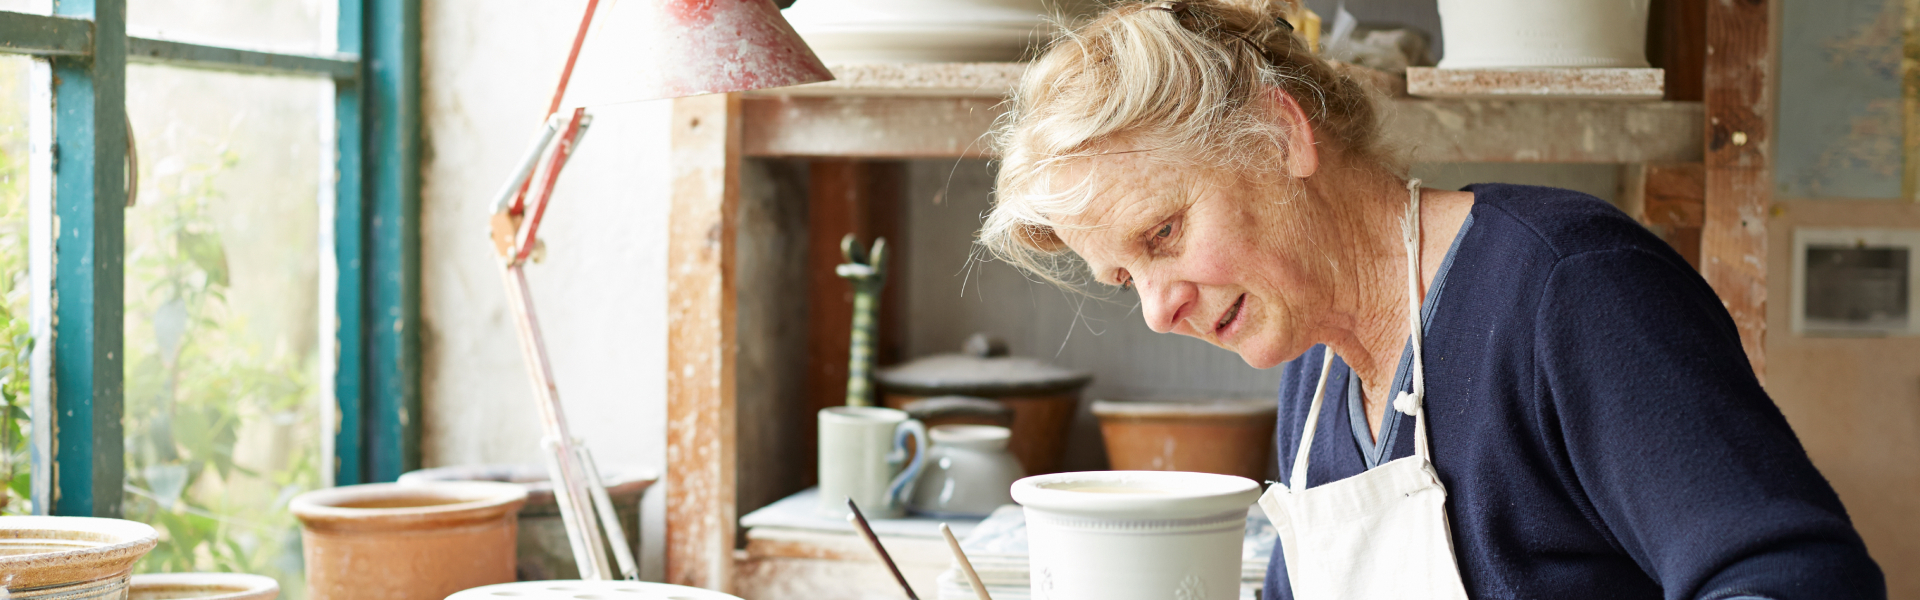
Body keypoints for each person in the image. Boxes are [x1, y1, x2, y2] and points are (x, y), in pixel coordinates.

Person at [976, 1, 1886, 598]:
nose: (1156, 310)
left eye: (1163, 234)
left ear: (1278, 135)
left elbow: (1796, 578)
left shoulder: (1568, 289)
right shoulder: (1317, 378)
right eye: (1125, 278)